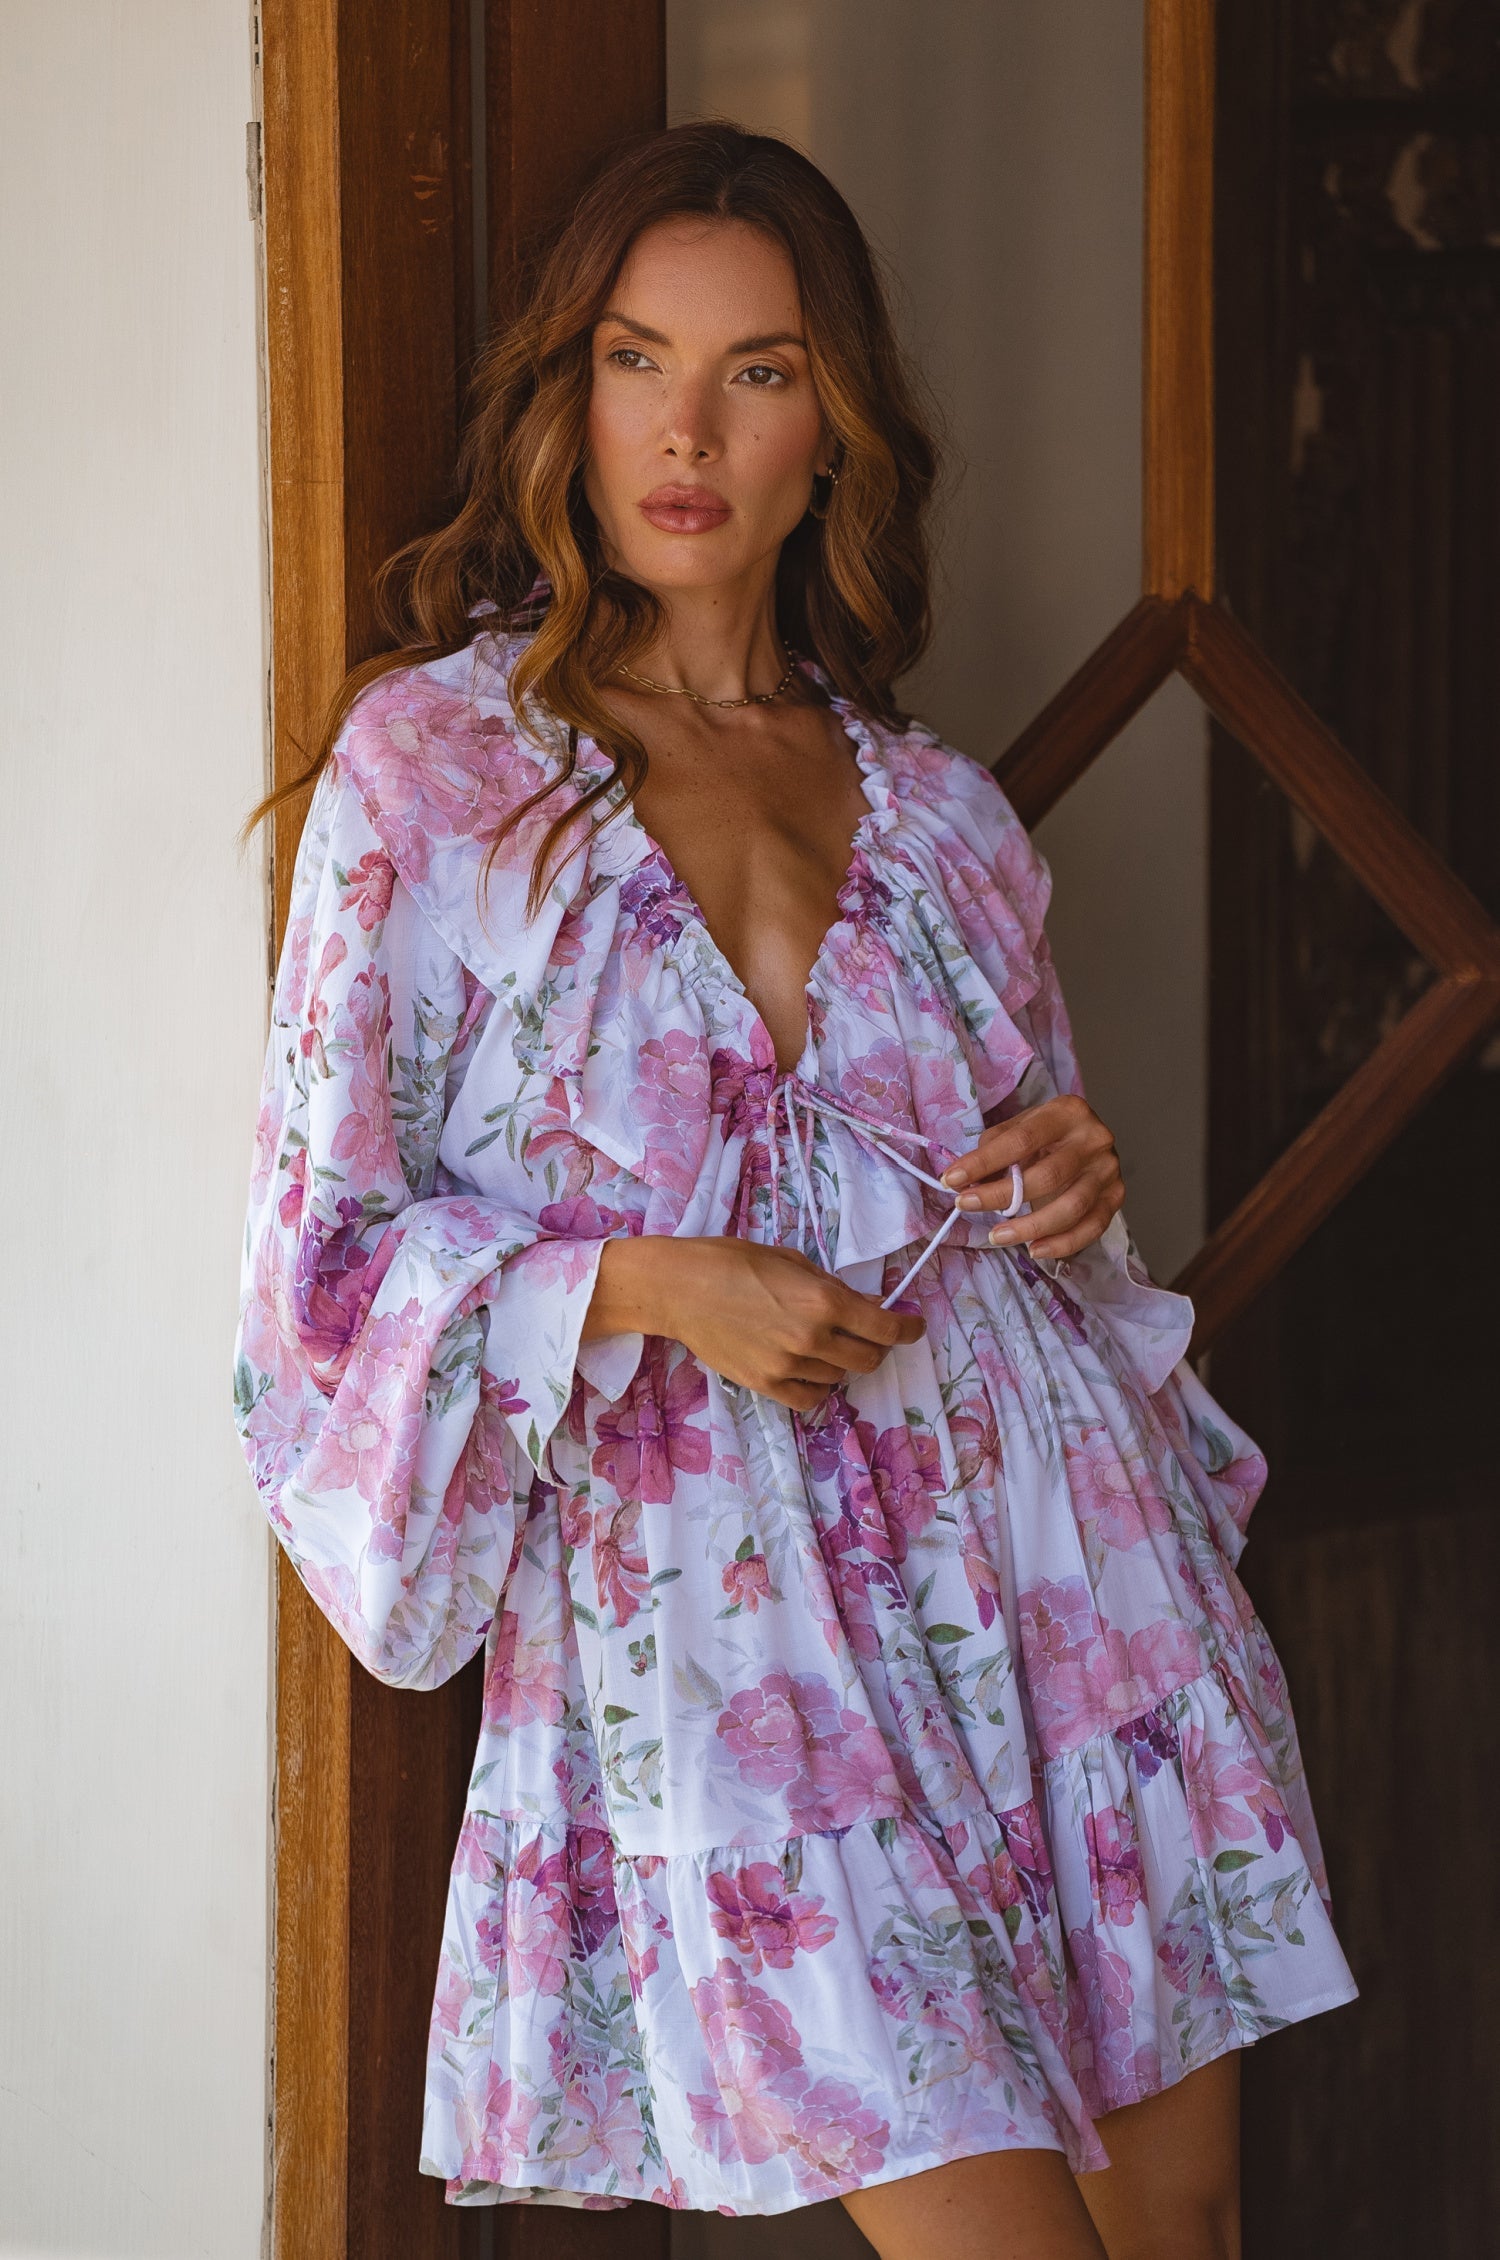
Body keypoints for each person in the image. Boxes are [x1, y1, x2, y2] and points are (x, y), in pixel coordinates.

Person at [235, 121, 1355, 2259]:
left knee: (1183, 2230)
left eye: (756, 371)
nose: (686, 430)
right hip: (723, 1628)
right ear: (567, 395)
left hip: (1060, 1588)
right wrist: (654, 1283)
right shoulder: (436, 776)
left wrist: (1071, 1176)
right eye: (635, 359)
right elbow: (323, 1269)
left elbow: (1039, 1190)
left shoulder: (942, 815)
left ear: (832, 424)